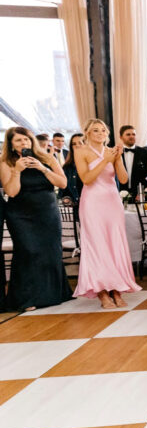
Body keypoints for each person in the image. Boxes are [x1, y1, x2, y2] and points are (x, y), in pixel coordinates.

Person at [0, 127, 72, 310]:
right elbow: (11, 192)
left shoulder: (47, 158)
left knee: (50, 251)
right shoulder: (6, 162)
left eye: (26, 139)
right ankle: (27, 299)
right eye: (18, 141)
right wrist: (17, 170)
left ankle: (54, 294)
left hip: (47, 211)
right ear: (10, 144)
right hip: (21, 214)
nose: (23, 143)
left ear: (31, 140)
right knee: (28, 252)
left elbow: (62, 183)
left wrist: (42, 168)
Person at [74, 119, 142, 308]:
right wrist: (105, 160)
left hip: (112, 201)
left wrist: (117, 158)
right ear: (87, 133)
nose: (100, 133)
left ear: (107, 133)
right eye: (95, 130)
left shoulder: (112, 151)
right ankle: (102, 292)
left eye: (103, 130)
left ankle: (116, 289)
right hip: (92, 202)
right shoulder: (81, 152)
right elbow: (86, 179)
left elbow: (123, 178)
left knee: (114, 244)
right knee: (97, 245)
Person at [117, 124, 147, 198]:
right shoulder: (115, 152)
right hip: (118, 192)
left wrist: (144, 192)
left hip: (140, 194)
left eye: (133, 134)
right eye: (128, 134)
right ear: (121, 137)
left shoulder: (145, 152)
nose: (131, 136)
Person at [58, 133, 84, 204]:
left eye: (81, 143)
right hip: (77, 207)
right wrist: (67, 199)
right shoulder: (67, 167)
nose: (77, 146)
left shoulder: (94, 164)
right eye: (74, 144)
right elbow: (64, 190)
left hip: (95, 205)